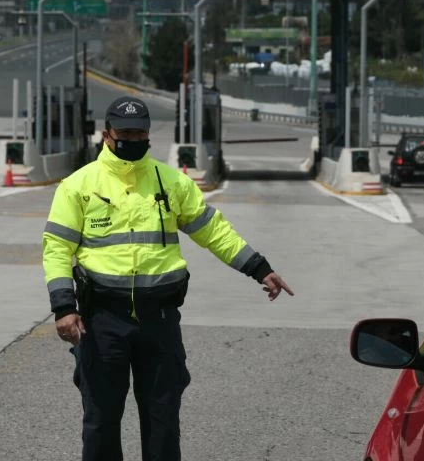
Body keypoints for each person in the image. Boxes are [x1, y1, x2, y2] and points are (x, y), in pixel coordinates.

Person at [42, 95, 295, 461]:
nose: (132, 138)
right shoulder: (78, 186)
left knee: (163, 424)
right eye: (125, 131)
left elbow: (214, 232)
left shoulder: (171, 183)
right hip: (102, 322)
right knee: (100, 423)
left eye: (140, 132)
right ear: (106, 133)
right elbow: (57, 249)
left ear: (148, 135)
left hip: (158, 322)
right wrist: (64, 307)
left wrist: (259, 267)